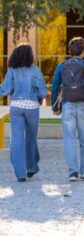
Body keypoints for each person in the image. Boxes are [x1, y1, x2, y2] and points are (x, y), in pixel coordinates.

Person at [51, 37, 84, 181]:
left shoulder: (61, 66)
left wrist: (54, 106)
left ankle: (73, 172)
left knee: (69, 140)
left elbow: (55, 87)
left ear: (70, 50)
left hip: (67, 106)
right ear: (83, 51)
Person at [0, 43, 48, 182]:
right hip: (32, 108)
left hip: (16, 107)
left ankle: (20, 174)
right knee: (31, 138)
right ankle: (31, 167)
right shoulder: (35, 70)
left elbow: (5, 90)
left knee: (16, 140)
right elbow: (43, 92)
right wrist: (38, 97)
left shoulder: (12, 70)